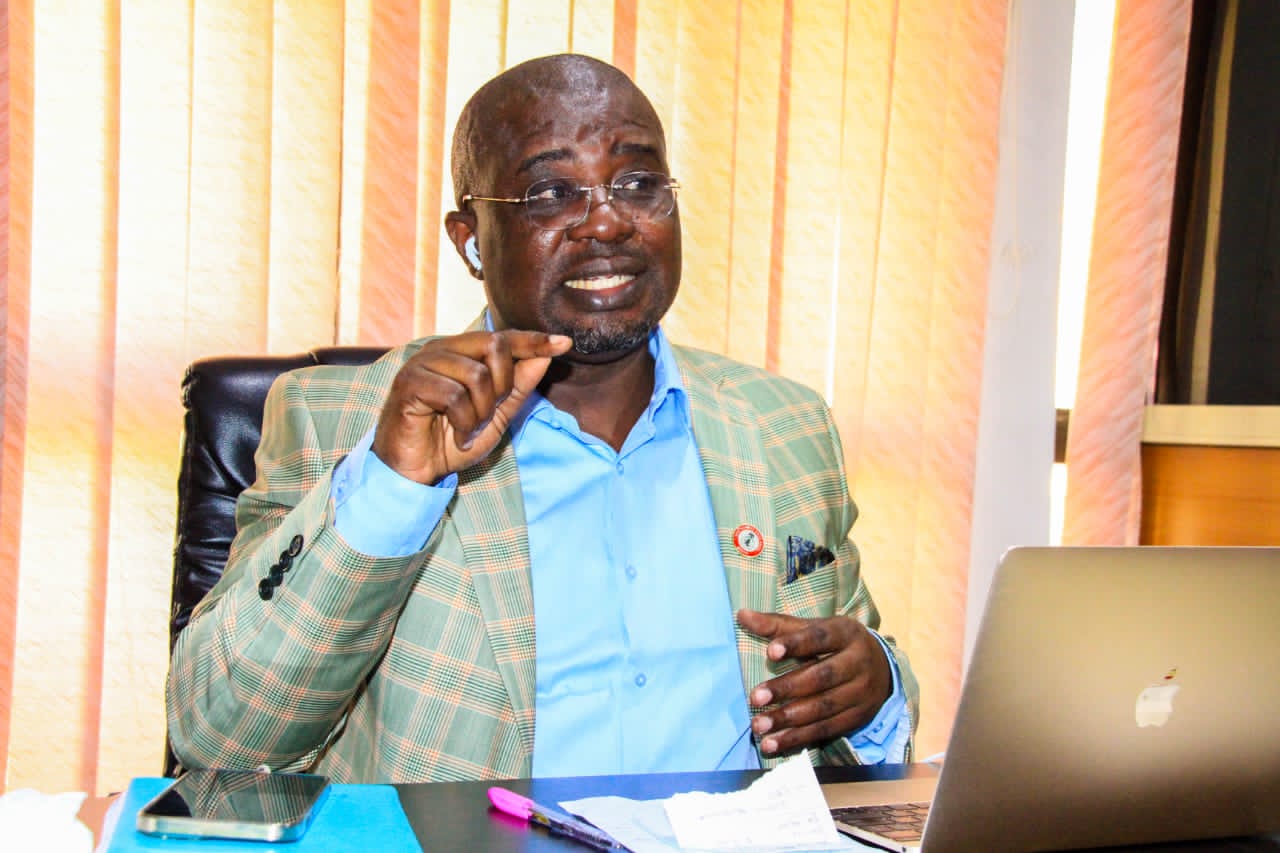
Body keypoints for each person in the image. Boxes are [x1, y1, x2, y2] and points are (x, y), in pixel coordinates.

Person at [166, 53, 919, 783]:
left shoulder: (785, 425)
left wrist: (876, 686)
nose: (607, 222)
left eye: (637, 183)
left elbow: (855, 684)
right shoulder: (344, 421)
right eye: (552, 193)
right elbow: (221, 737)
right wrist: (395, 490)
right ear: (470, 241)